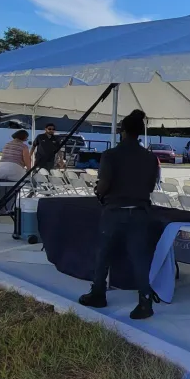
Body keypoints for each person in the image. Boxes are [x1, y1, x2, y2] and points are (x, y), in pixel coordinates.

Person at [78, 110, 161, 320]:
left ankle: (98, 294)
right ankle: (145, 302)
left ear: (122, 132)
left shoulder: (111, 155)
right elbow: (151, 185)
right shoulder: (150, 157)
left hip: (114, 212)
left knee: (103, 254)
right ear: (139, 133)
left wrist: (99, 191)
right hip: (140, 212)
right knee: (139, 258)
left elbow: (104, 184)